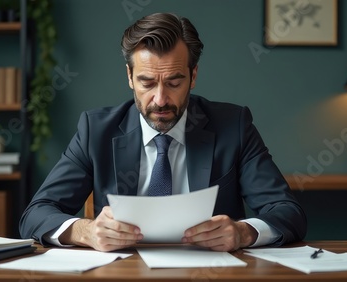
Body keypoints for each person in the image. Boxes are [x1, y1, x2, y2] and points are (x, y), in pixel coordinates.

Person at [19, 12, 307, 252]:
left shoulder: (234, 126)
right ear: (129, 77)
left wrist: (244, 233)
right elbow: (36, 214)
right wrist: (86, 231)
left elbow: (288, 212)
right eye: (147, 82)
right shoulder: (96, 131)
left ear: (193, 76)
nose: (160, 99)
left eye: (173, 82)